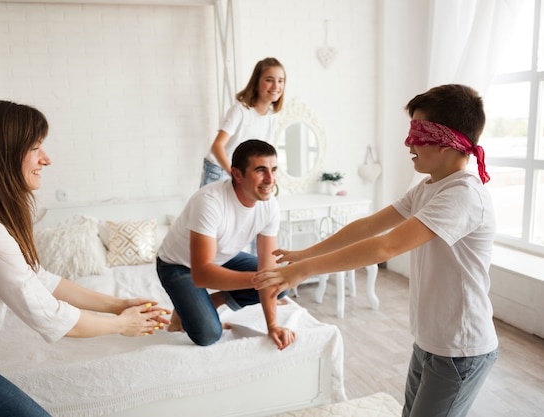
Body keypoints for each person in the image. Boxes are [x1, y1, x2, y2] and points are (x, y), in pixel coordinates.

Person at [254, 84, 498, 417]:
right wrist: (305, 254)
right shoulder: (427, 187)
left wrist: (304, 271)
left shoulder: (463, 195)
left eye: (418, 134)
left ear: (447, 142)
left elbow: (386, 244)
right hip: (430, 339)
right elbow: (368, 227)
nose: (408, 144)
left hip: (461, 347)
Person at [0, 101, 170, 417]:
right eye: (36, 147)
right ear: (1, 154)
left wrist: (118, 304)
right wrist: (122, 325)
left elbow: (39, 278)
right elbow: (49, 315)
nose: (46, 159)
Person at [158, 139, 295, 350]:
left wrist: (273, 325)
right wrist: (262, 279)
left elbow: (268, 267)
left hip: (223, 257)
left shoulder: (270, 206)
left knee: (282, 282)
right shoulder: (209, 201)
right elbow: (202, 274)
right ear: (237, 174)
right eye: (260, 170)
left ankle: (214, 300)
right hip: (178, 265)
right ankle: (186, 307)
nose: (270, 179)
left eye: (273, 170)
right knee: (209, 334)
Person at [200, 57, 286, 187]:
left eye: (280, 81)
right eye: (269, 80)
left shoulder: (272, 117)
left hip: (243, 174)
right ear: (256, 83)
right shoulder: (240, 111)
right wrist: (233, 174)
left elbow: (265, 152)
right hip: (219, 170)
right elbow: (217, 146)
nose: (276, 86)